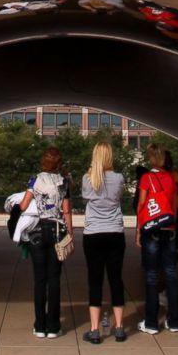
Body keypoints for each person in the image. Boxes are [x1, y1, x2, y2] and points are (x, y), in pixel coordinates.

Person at [19, 146, 72, 338]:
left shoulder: (35, 179)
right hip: (57, 230)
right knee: (54, 279)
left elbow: (23, 205)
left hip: (37, 233)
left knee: (39, 279)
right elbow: (66, 210)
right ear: (59, 163)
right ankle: (53, 326)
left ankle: (40, 325)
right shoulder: (64, 181)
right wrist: (70, 234)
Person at [80, 142, 127, 344]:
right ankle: (119, 327)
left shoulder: (88, 178)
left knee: (95, 280)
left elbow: (86, 197)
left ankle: (94, 330)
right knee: (116, 279)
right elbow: (118, 197)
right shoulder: (119, 178)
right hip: (115, 232)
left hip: (93, 233)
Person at [136, 144, 178, 335]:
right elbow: (174, 206)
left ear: (150, 158)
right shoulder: (171, 178)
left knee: (152, 275)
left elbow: (142, 204)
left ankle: (151, 322)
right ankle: (174, 321)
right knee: (171, 274)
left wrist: (139, 230)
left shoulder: (146, 178)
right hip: (169, 229)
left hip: (152, 230)